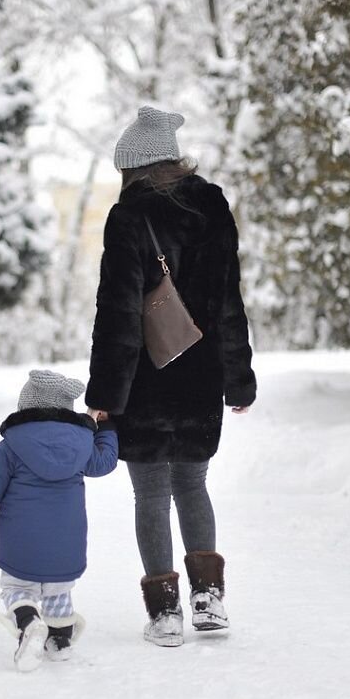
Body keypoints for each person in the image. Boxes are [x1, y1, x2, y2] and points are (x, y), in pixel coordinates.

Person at [85, 106, 256, 647]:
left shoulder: (128, 218)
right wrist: (238, 378)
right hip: (201, 375)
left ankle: (165, 614)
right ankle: (209, 602)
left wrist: (105, 396)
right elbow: (229, 299)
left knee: (152, 496)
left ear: (133, 168)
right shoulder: (213, 206)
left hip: (146, 380)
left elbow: (117, 315)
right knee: (193, 484)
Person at [0, 369, 118, 671]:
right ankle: (59, 641)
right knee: (59, 590)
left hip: (21, 543)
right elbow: (106, 462)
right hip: (66, 545)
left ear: (26, 406)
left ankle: (29, 622)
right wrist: (105, 427)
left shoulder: (10, 446)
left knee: (17, 588)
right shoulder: (83, 443)